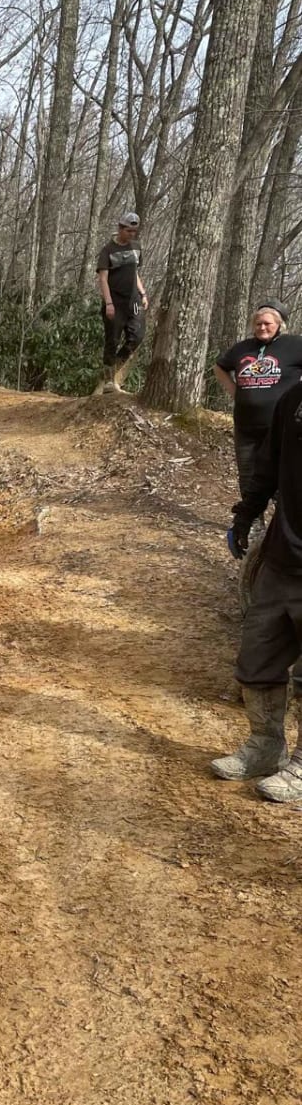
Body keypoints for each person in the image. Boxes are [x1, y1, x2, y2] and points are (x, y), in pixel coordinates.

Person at [214, 374, 302, 800]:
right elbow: (267, 466)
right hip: (282, 557)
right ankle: (265, 748)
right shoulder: (294, 400)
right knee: (258, 654)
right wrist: (245, 515)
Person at [213, 302, 302, 499]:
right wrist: (235, 392)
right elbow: (219, 368)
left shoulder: (295, 345)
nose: (262, 327)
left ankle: (283, 526)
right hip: (246, 428)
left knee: (282, 480)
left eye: (267, 323)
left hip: (281, 428)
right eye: (258, 323)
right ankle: (252, 524)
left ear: (279, 325)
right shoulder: (242, 348)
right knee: (248, 480)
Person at [96, 212, 148, 392]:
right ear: (120, 228)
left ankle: (113, 371)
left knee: (137, 336)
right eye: (128, 230)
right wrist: (108, 303)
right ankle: (109, 382)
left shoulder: (136, 247)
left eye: (134, 231)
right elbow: (103, 279)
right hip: (115, 302)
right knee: (113, 340)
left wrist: (143, 293)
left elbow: (135, 273)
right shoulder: (108, 250)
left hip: (133, 300)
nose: (131, 234)